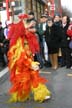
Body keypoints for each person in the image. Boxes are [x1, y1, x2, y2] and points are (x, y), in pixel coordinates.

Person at [7, 14, 51, 103]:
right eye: (23, 22)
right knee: (23, 79)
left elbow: (31, 44)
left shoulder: (24, 34)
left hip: (28, 60)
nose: (25, 24)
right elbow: (20, 55)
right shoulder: (17, 39)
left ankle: (40, 94)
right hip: (22, 63)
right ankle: (23, 95)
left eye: (25, 21)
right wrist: (30, 63)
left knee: (34, 77)